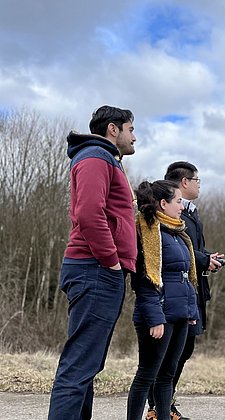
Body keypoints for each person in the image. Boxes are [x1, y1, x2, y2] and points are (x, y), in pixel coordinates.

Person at [48, 105, 138, 420]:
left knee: (88, 363)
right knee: (80, 364)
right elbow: (88, 214)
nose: (134, 137)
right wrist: (111, 260)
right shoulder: (95, 158)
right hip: (95, 269)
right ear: (113, 129)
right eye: (131, 129)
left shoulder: (106, 160)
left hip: (99, 270)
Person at [143, 161, 225, 420]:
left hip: (192, 291)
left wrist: (208, 257)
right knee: (167, 356)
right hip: (173, 295)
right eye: (197, 180)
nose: (200, 185)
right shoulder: (166, 216)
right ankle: (157, 408)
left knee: (184, 350)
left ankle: (165, 405)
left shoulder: (190, 213)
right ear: (184, 183)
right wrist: (203, 259)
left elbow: (191, 249)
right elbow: (172, 254)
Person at [127, 180, 200, 420]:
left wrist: (191, 312)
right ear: (163, 203)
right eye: (178, 201)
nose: (181, 206)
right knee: (147, 374)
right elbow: (145, 279)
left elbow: (184, 278)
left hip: (179, 315)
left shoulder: (177, 233)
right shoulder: (148, 232)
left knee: (167, 375)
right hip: (159, 316)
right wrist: (155, 318)